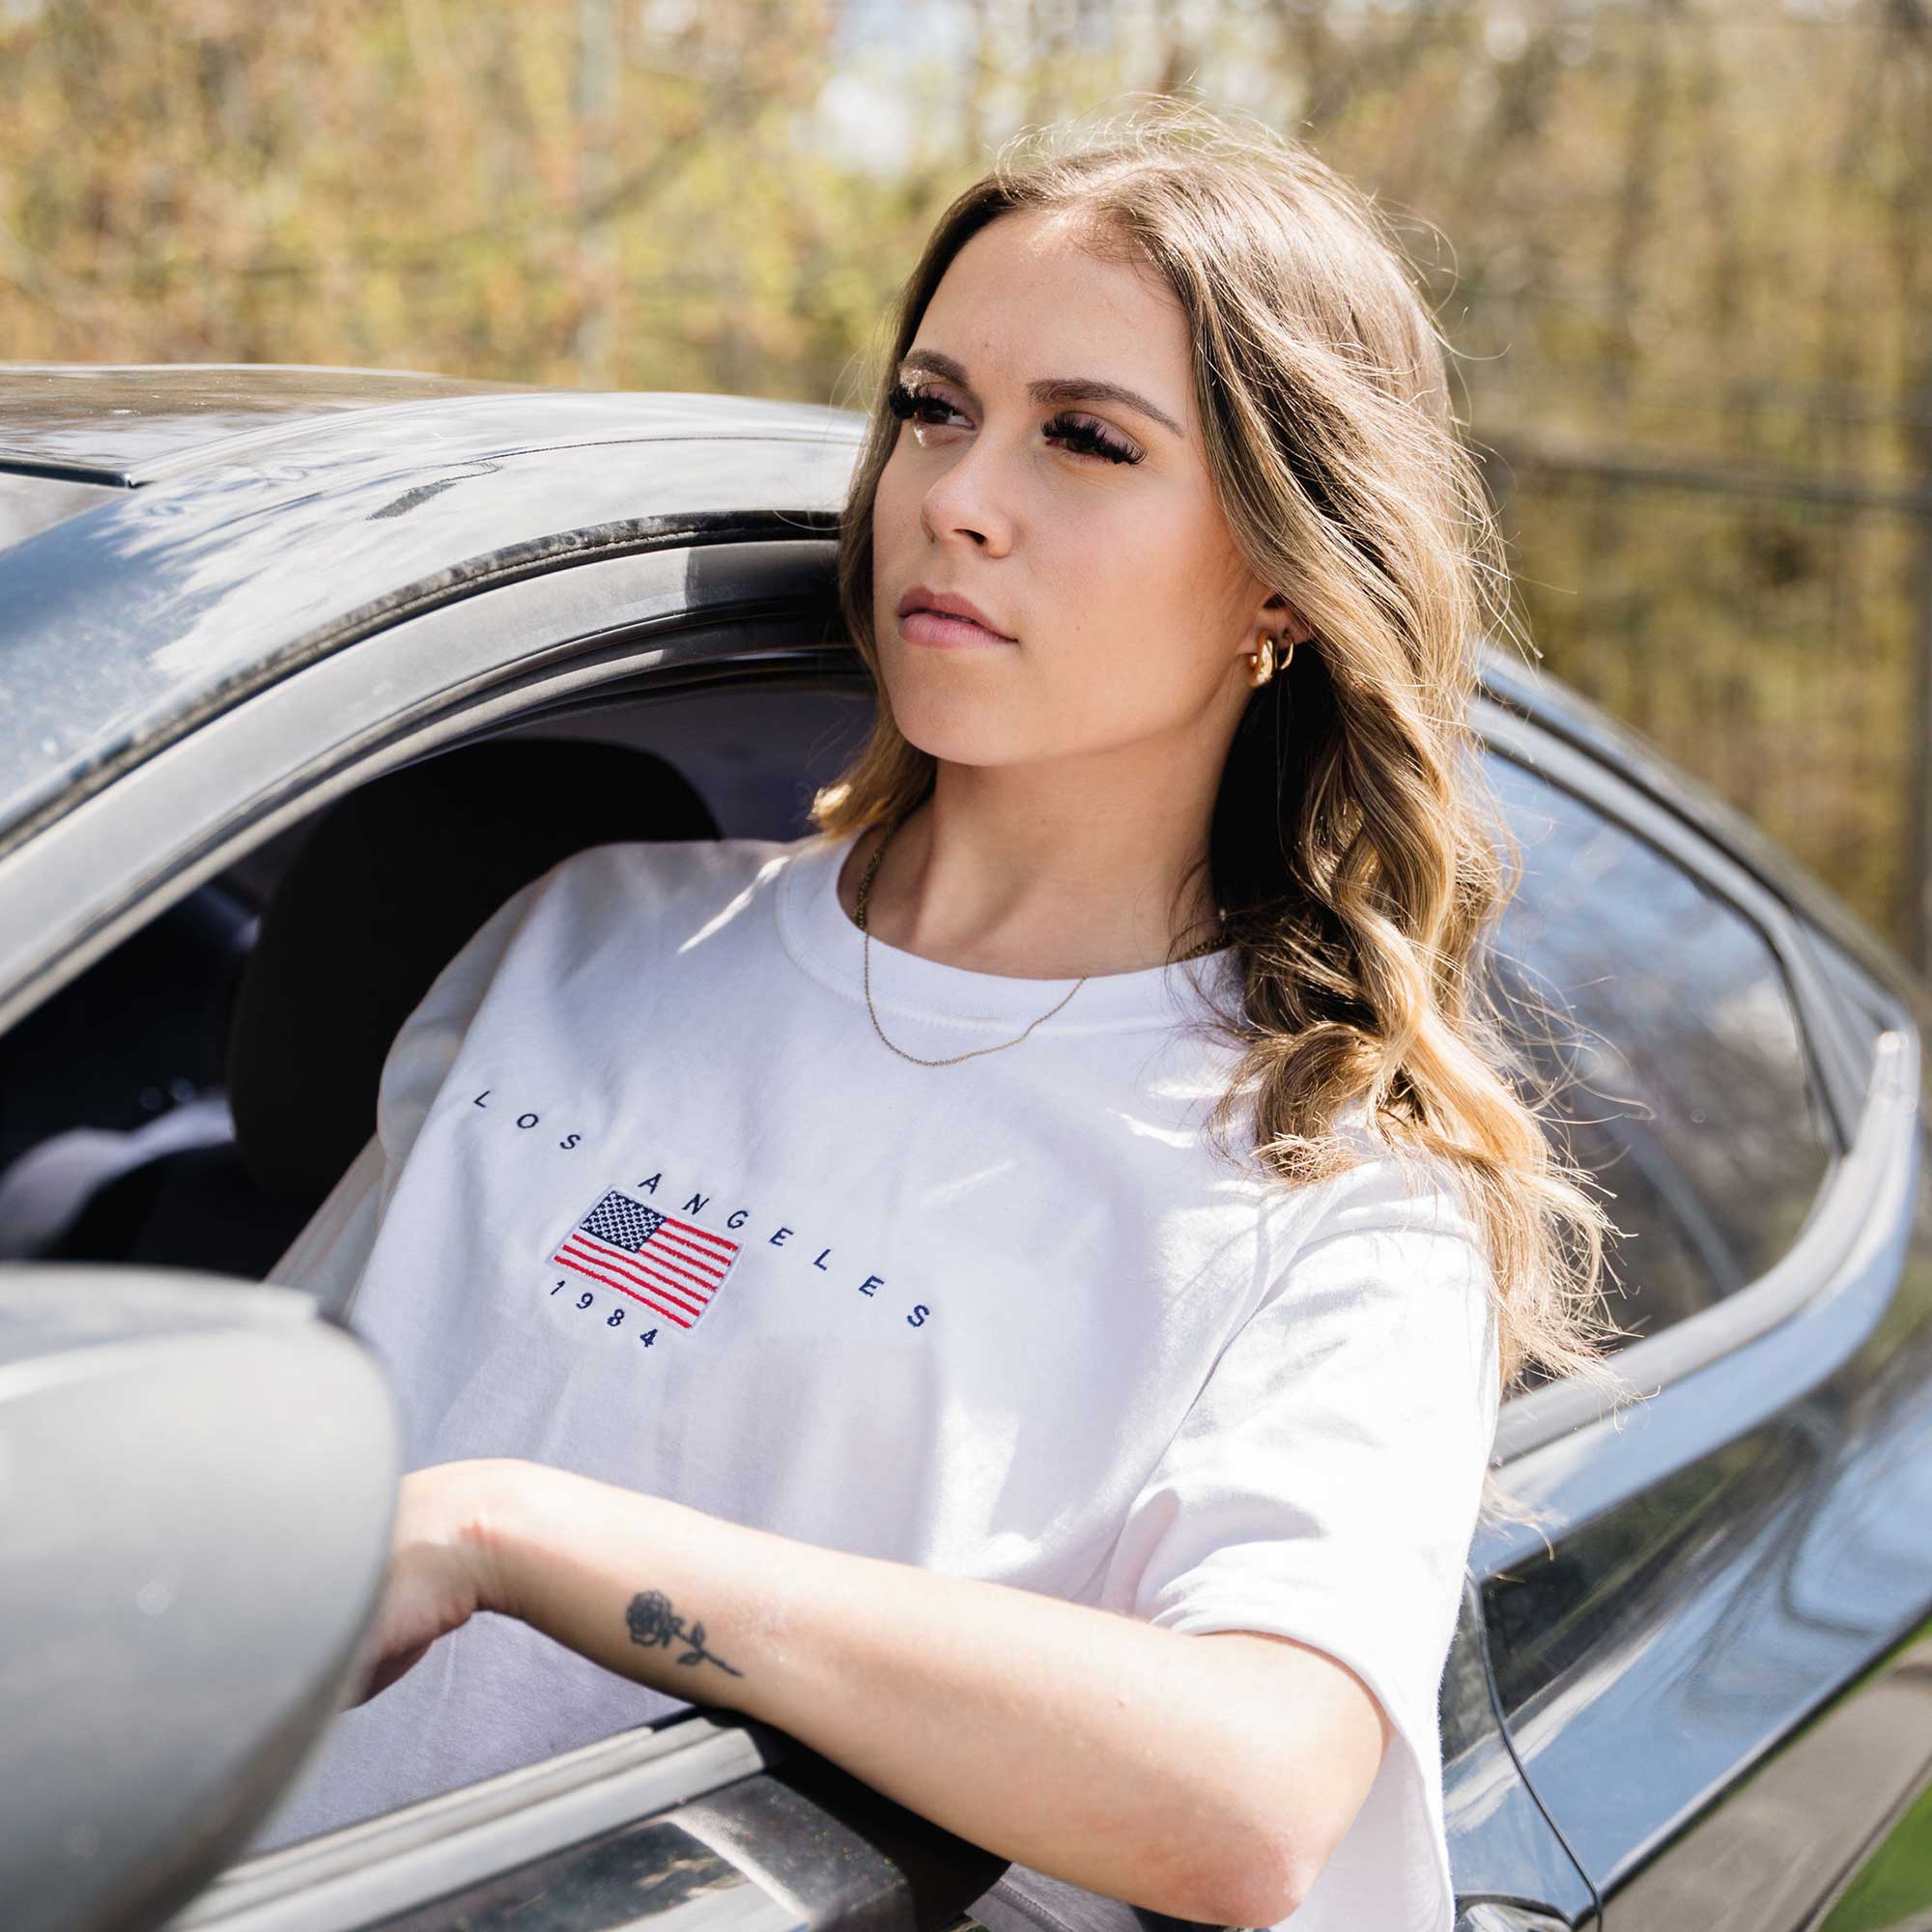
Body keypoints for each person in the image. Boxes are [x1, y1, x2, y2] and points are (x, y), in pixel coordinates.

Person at [242, 99, 1636, 1932]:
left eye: (1085, 439)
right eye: (931, 406)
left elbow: (1245, 1791)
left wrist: (521, 1535)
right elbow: (243, 1469)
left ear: (1282, 585)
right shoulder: (584, 938)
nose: (958, 495)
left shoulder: (1329, 1198)